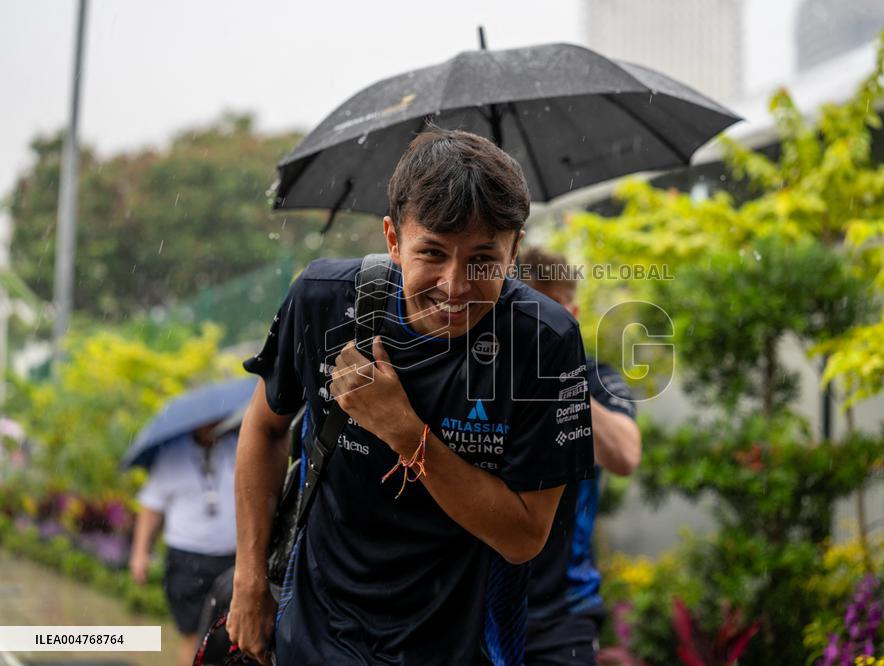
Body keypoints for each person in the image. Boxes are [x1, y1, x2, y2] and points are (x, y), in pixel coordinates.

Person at [228, 128, 595, 665]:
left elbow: (522, 537)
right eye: (433, 253)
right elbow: (264, 427)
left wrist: (401, 428)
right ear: (393, 239)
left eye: (482, 260)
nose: (454, 285)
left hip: (458, 644)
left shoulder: (544, 341)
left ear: (515, 250)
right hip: (318, 634)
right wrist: (250, 577)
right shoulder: (327, 303)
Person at [518, 246, 642, 666]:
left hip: (564, 610)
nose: (532, 321)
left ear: (571, 311)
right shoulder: (482, 377)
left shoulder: (597, 378)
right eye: (521, 303)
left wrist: (556, 374)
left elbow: (624, 454)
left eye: (545, 306)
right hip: (476, 602)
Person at [129, 422, 237, 666]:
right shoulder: (172, 455)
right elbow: (151, 508)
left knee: (229, 638)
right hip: (188, 561)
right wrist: (140, 554)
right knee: (193, 638)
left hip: (231, 559)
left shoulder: (236, 446)